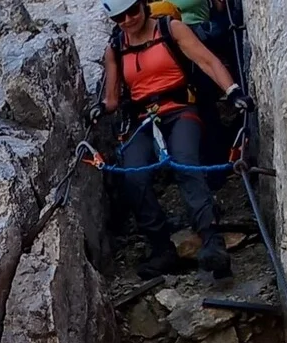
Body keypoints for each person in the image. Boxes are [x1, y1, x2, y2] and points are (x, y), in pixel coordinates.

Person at [89, 0, 255, 279]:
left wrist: (233, 91)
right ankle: (161, 248)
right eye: (120, 17)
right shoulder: (116, 47)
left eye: (132, 12)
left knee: (186, 162)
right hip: (143, 119)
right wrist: (100, 108)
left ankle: (212, 241)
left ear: (143, 5)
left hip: (180, 109)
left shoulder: (171, 28)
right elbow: (113, 98)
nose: (128, 20)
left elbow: (207, 60)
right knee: (133, 176)